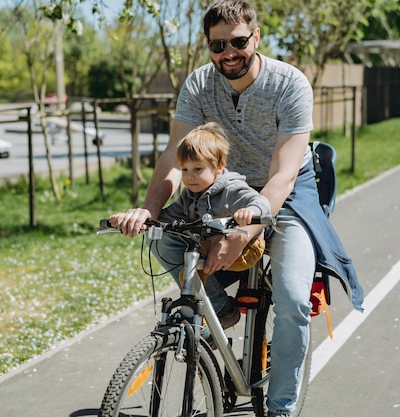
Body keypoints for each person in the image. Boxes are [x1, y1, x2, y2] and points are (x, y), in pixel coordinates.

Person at [110, 1, 364, 416]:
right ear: (208, 46)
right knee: (166, 244)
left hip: (286, 190)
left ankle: (280, 408)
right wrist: (148, 211)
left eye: (239, 42)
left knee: (293, 298)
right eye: (218, 45)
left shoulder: (290, 83)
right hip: (221, 186)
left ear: (256, 37)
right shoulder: (198, 84)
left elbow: (282, 175)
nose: (229, 52)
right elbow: (175, 158)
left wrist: (246, 232)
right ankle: (221, 310)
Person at [112, 122, 270, 326]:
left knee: (193, 269)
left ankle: (213, 311)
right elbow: (168, 218)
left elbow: (262, 202)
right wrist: (136, 221)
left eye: (197, 169)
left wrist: (250, 211)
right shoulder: (190, 195)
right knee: (184, 266)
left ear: (219, 166)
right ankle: (208, 318)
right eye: (184, 169)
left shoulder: (232, 188)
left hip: (244, 248)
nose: (189, 176)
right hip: (209, 245)